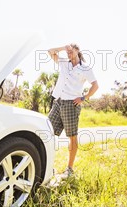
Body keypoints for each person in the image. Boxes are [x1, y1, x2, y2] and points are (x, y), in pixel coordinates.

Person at [47, 43, 99, 177]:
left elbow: (95, 85)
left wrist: (84, 97)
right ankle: (48, 167)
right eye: (68, 52)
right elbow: (50, 51)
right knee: (47, 132)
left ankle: (69, 169)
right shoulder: (65, 62)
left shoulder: (85, 68)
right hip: (58, 101)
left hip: (71, 104)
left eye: (71, 51)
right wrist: (63, 48)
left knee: (72, 137)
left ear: (77, 51)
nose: (69, 54)